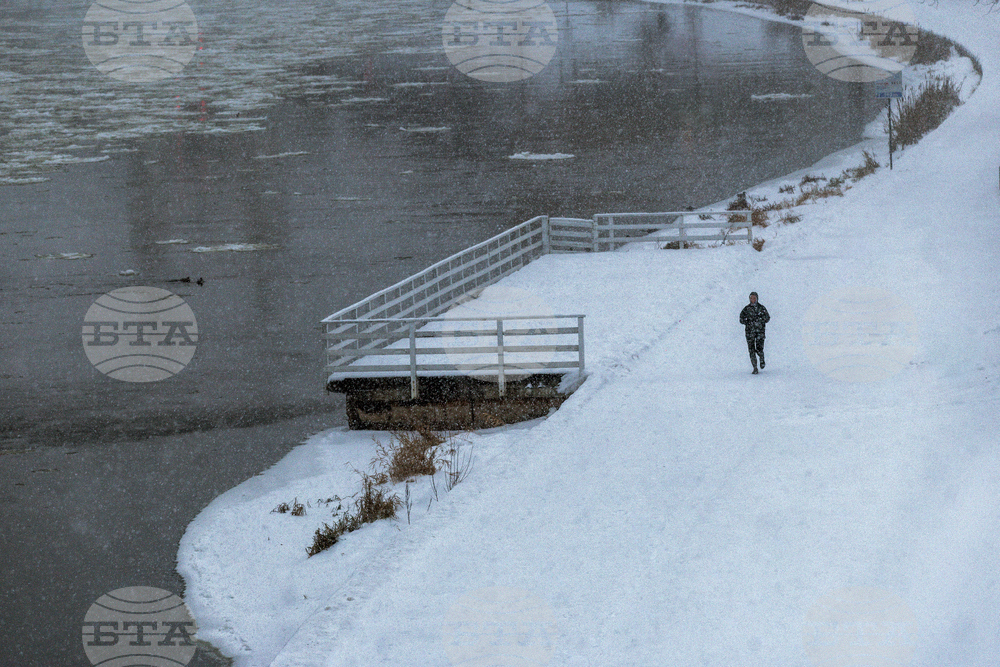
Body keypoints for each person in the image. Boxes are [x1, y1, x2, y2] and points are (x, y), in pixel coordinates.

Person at [739, 291, 770, 374]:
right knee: (751, 350)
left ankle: (761, 358)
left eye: (754, 298)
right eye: (751, 298)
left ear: (757, 298)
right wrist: (748, 321)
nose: (753, 300)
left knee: (759, 349)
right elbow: (741, 319)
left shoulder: (761, 308)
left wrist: (759, 321)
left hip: (760, 332)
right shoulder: (746, 309)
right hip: (750, 333)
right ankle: (755, 367)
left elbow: (767, 318)